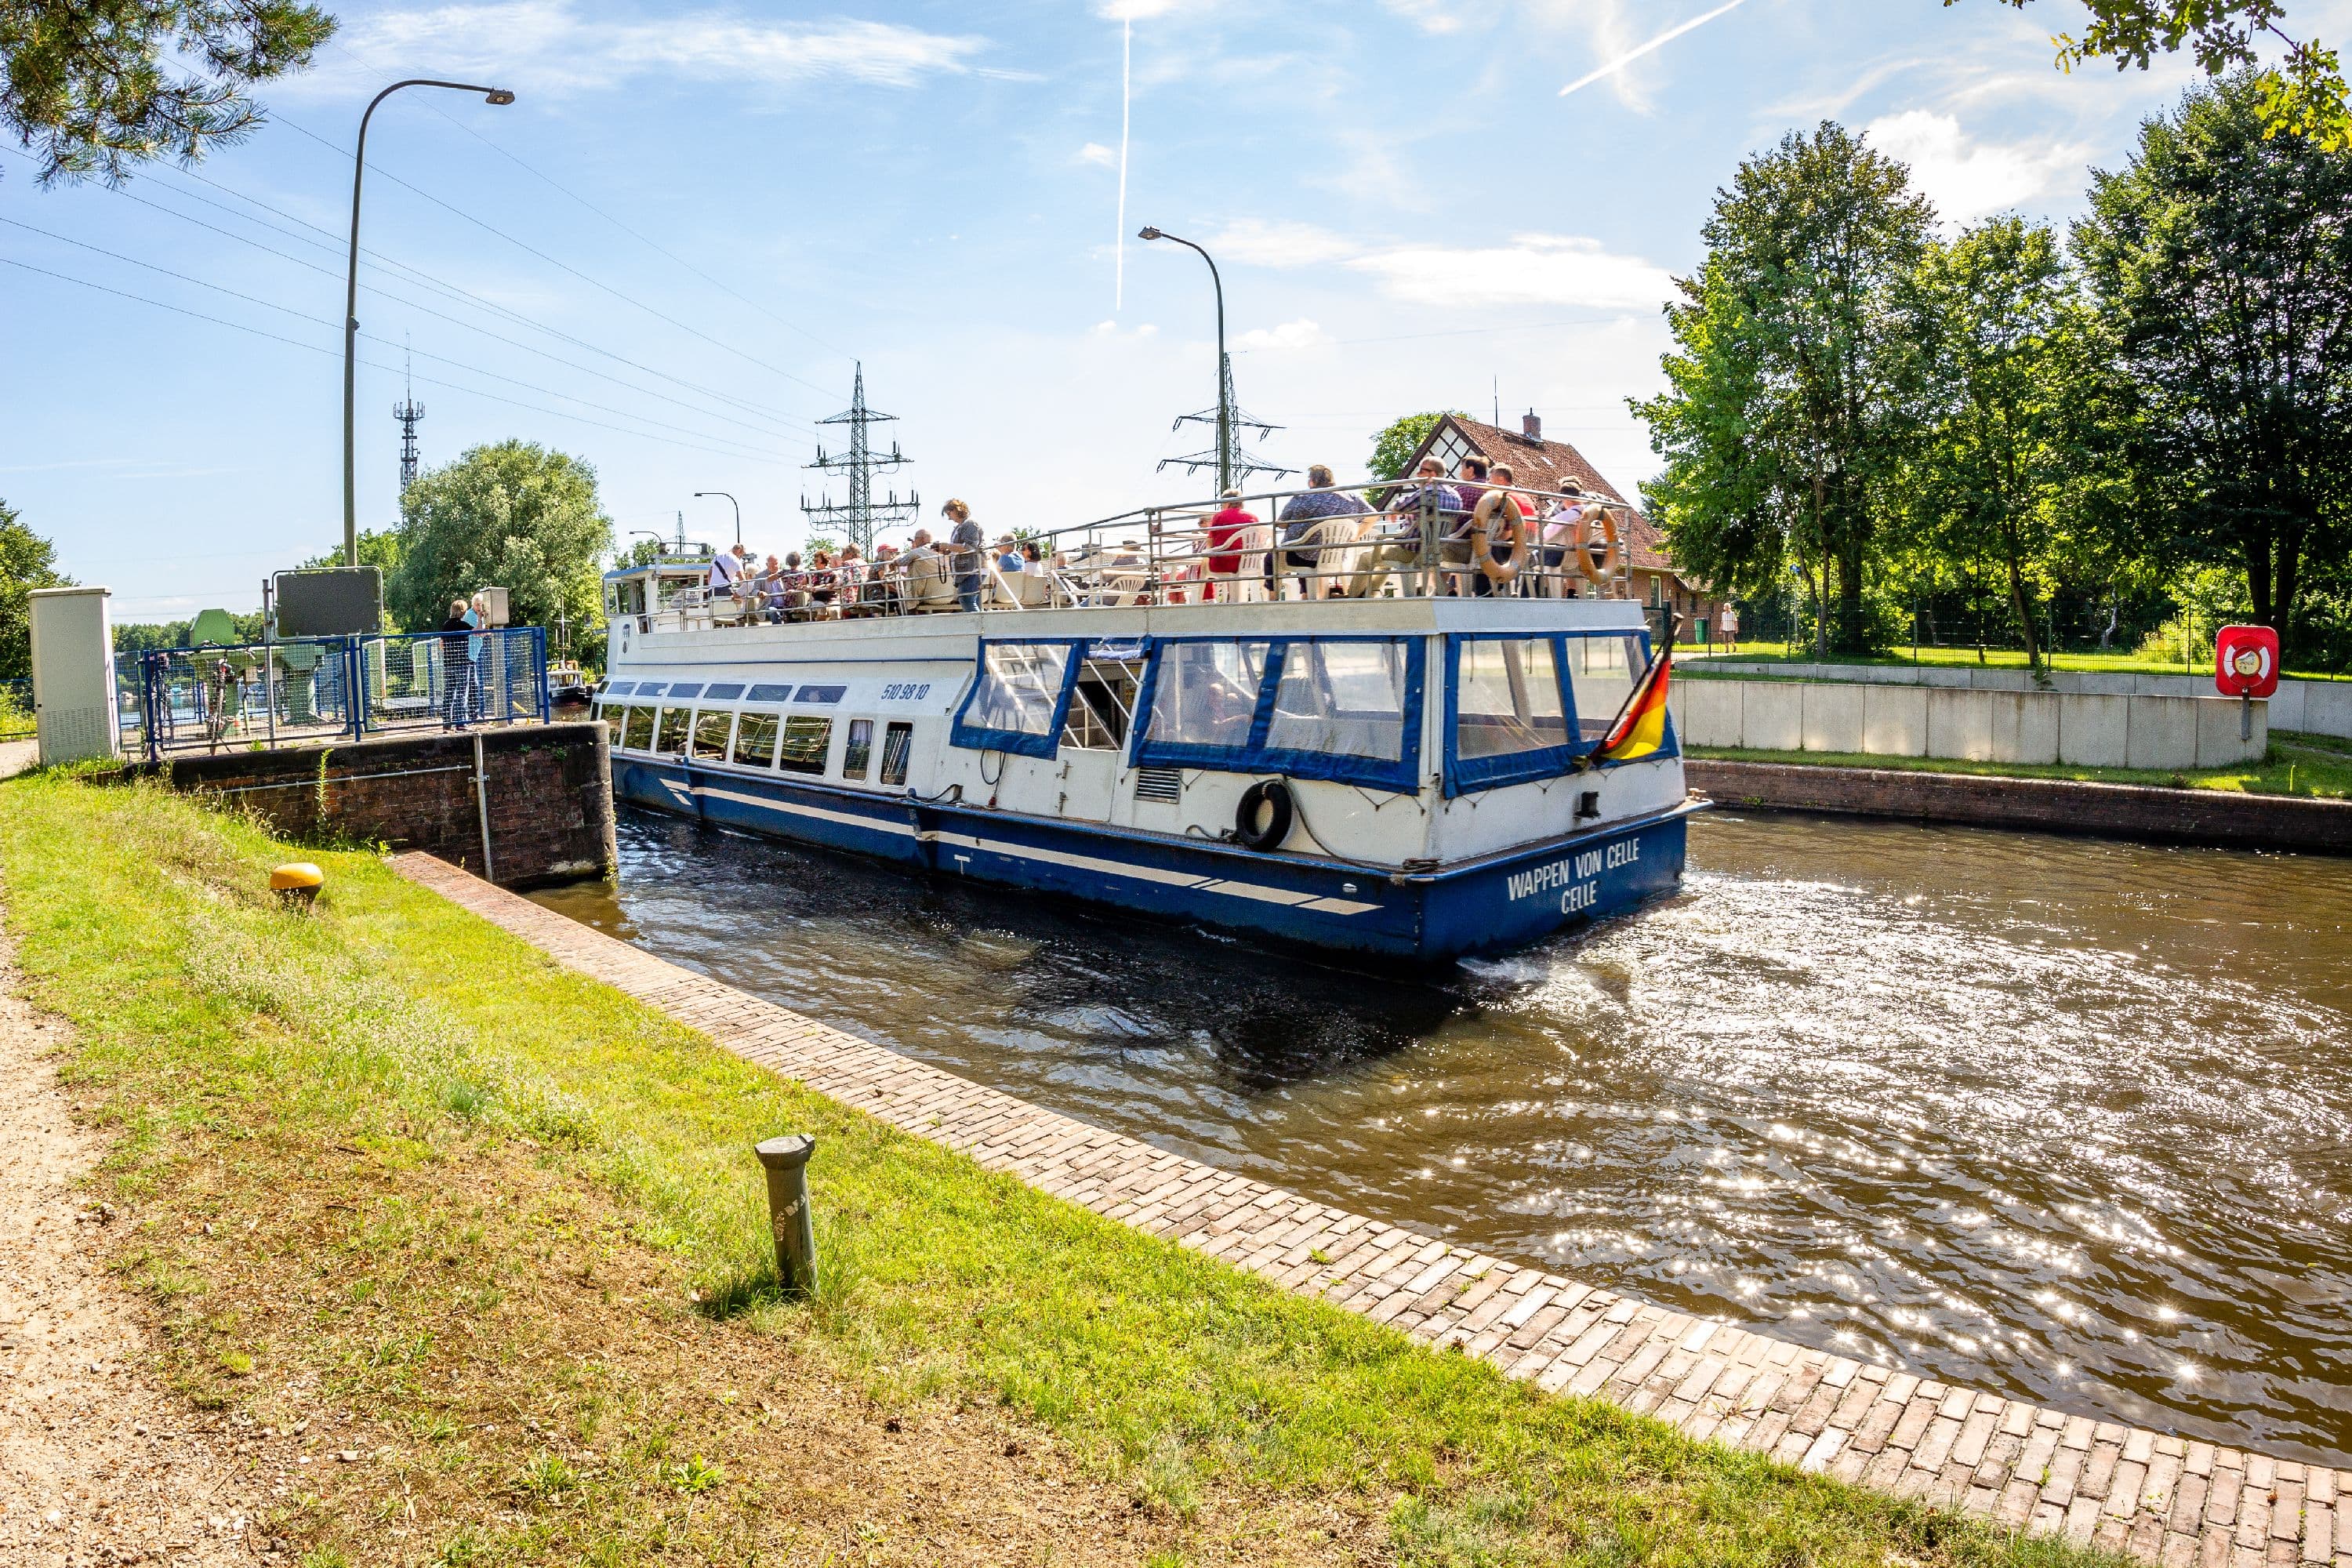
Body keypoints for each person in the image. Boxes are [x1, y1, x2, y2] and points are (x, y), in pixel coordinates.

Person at [1276, 464, 1368, 598]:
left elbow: (1282, 524)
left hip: (1304, 556)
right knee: (1303, 551)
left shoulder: (1302, 498)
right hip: (1334, 557)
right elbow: (1373, 516)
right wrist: (1355, 535)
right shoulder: (1351, 498)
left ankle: (1274, 598)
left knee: (1271, 557)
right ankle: (1309, 595)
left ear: (1312, 481)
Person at [1201, 488, 1258, 601]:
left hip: (1226, 564)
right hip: (1251, 563)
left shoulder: (1219, 517)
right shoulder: (1253, 517)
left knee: (1202, 565)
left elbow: (1210, 543)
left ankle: (1208, 600)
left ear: (1227, 503)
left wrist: (1207, 553)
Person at [940, 499, 985, 612]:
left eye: (949, 514)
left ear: (956, 510)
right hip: (969, 568)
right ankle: (981, 626)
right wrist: (948, 550)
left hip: (973, 568)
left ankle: (977, 626)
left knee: (966, 598)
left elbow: (969, 547)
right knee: (974, 601)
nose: (949, 518)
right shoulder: (962, 525)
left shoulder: (969, 524)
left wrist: (947, 546)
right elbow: (962, 547)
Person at [439, 598, 474, 730]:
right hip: (462, 664)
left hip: (448, 664)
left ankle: (446, 724)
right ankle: (461, 723)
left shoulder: (446, 625)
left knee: (448, 694)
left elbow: (441, 644)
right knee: (461, 693)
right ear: (463, 611)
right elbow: (479, 632)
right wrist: (481, 617)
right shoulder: (463, 624)